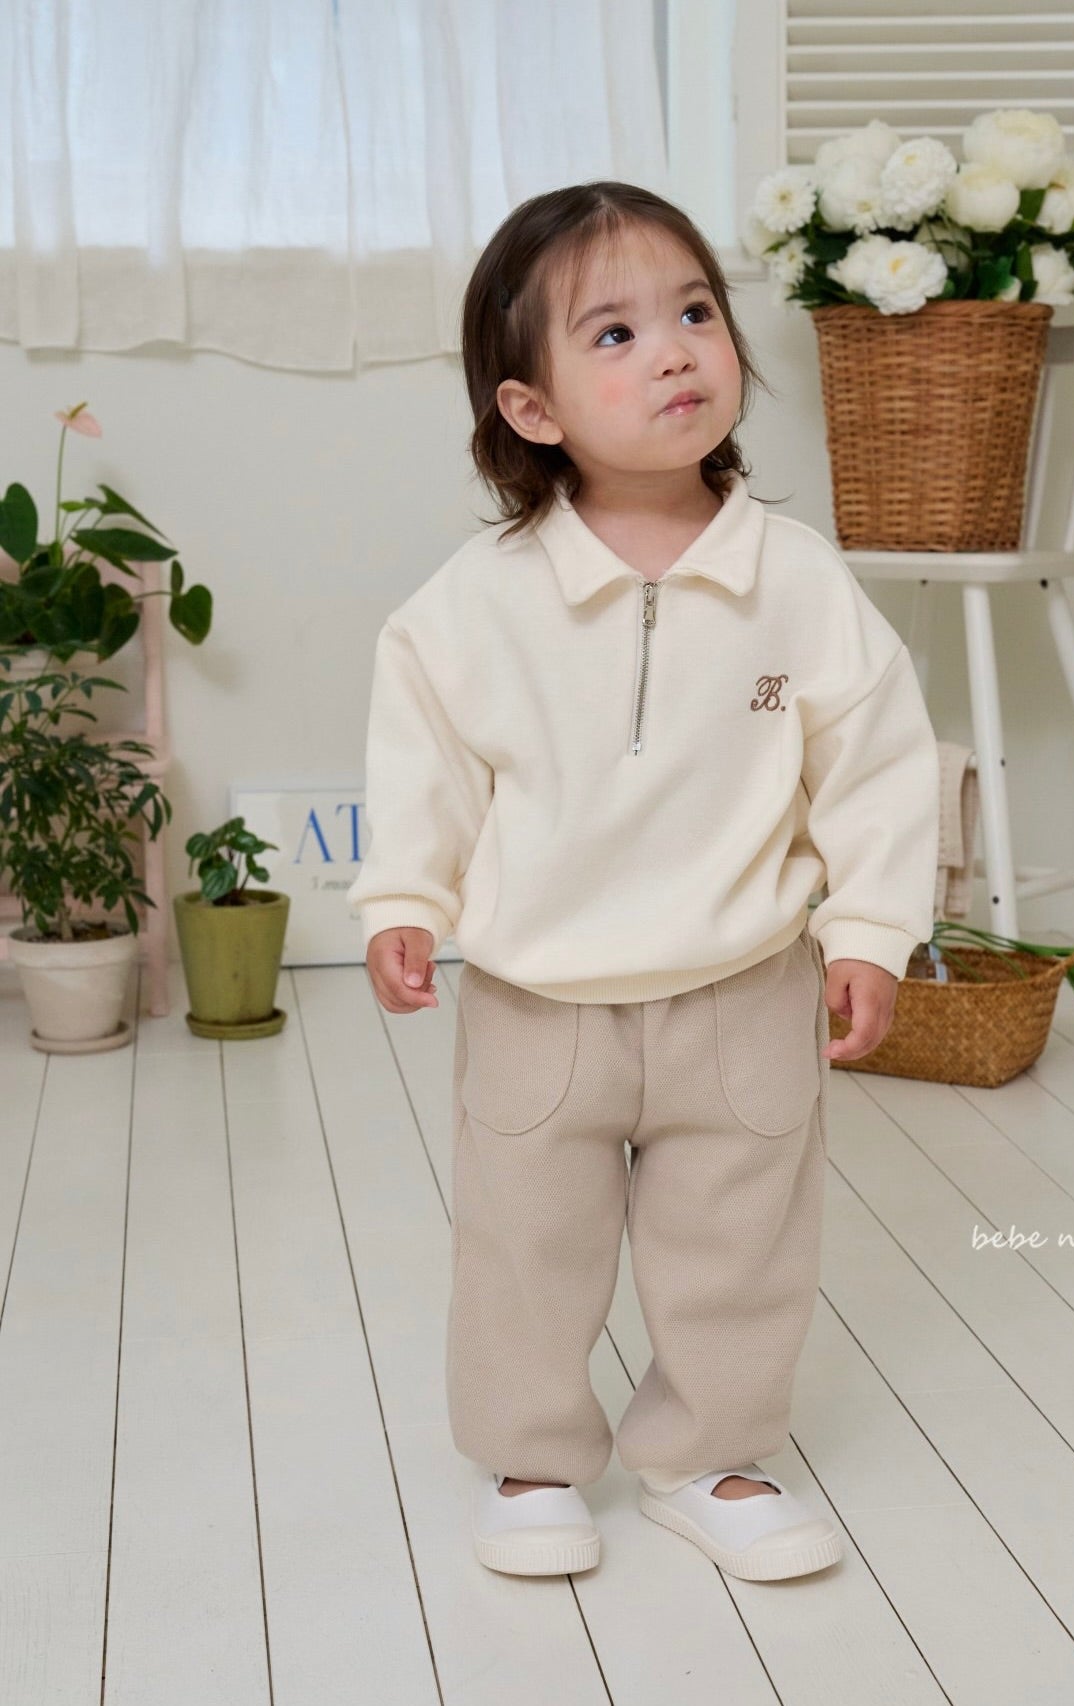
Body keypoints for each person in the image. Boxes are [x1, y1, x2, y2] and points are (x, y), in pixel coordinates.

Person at [346, 180, 941, 1582]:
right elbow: (426, 759)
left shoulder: (796, 578)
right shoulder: (477, 600)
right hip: (540, 996)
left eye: (694, 313)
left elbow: (875, 761)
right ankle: (532, 1459)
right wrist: (405, 901)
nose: (674, 351)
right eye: (613, 333)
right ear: (532, 408)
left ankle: (710, 1453)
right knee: (525, 1242)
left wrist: (870, 929)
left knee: (738, 1243)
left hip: (743, 987)